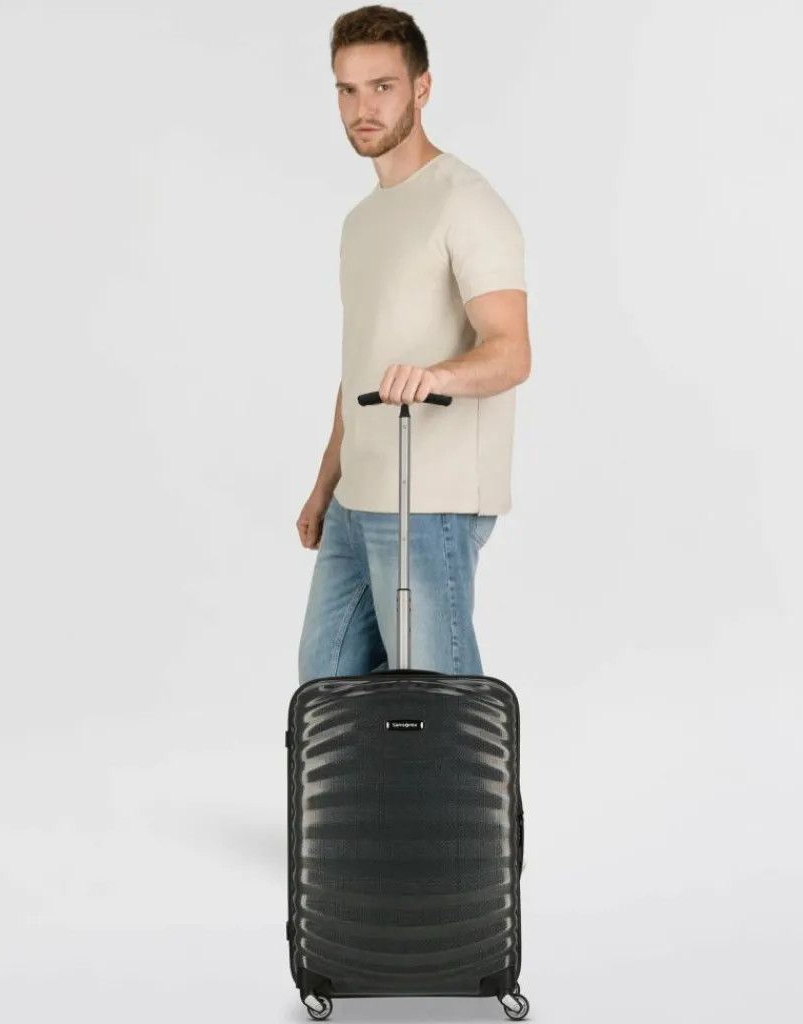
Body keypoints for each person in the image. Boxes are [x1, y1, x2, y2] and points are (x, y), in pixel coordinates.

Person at [296, 5, 530, 683]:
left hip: (428, 501)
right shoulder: (362, 221)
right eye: (347, 89)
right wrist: (325, 484)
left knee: (437, 702)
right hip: (356, 499)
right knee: (325, 691)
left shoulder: (466, 202)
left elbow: (511, 349)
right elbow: (360, 365)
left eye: (382, 86)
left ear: (421, 88)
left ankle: (470, 768)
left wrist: (436, 377)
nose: (362, 108)